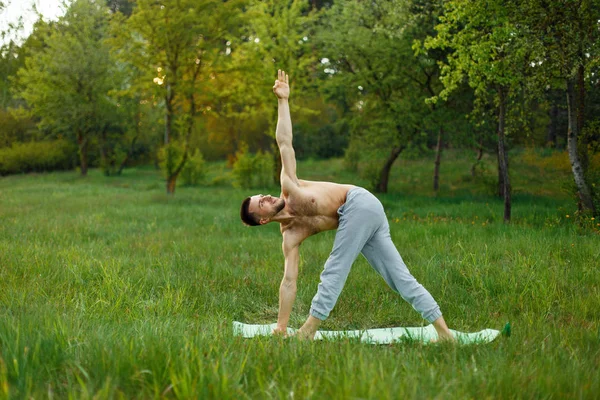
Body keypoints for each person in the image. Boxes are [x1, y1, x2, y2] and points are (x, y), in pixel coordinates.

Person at [239, 70, 454, 341]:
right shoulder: (290, 237)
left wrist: (283, 100)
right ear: (263, 220)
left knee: (335, 267)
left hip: (359, 203)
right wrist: (281, 326)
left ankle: (307, 332)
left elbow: (284, 142)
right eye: (262, 203)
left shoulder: (290, 185)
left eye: (264, 195)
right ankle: (445, 334)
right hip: (363, 220)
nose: (268, 197)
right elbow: (289, 282)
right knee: (399, 279)